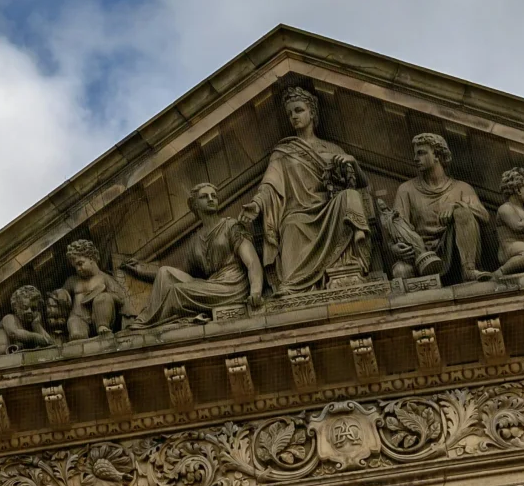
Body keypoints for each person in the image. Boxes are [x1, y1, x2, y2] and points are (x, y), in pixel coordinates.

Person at [253, 84, 374, 293]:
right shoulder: (283, 152)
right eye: (290, 113)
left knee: (350, 196)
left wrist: (352, 162)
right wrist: (256, 204)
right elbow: (269, 185)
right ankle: (293, 283)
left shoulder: (332, 149)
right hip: (298, 213)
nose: (294, 117)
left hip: (330, 209)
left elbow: (362, 183)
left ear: (312, 112)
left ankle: (353, 252)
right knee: (292, 225)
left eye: (299, 110)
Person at [125, 181, 264, 322]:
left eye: (214, 196)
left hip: (231, 285)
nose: (211, 199)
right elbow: (182, 272)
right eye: (204, 196)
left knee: (176, 292)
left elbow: (252, 261)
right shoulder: (195, 240)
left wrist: (256, 290)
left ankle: (146, 325)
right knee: (165, 272)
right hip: (211, 284)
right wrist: (142, 270)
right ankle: (145, 320)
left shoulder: (231, 226)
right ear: (195, 204)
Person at [391, 132, 488, 282]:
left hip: (454, 252)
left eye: (421, 153)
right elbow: (397, 224)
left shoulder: (461, 188)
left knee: (463, 212)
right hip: (421, 255)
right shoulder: (406, 189)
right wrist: (394, 247)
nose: (415, 159)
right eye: (415, 154)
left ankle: (469, 270)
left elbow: (485, 216)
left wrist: (456, 206)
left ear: (437, 155)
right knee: (401, 271)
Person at [59, 238, 135, 337]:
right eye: (75, 266)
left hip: (99, 317)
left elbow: (121, 299)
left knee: (103, 298)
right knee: (76, 336)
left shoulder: (104, 278)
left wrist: (105, 295)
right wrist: (62, 293)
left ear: (91, 258)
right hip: (78, 317)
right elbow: (63, 290)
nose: (78, 269)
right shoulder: (73, 280)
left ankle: (102, 326)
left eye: (80, 263)